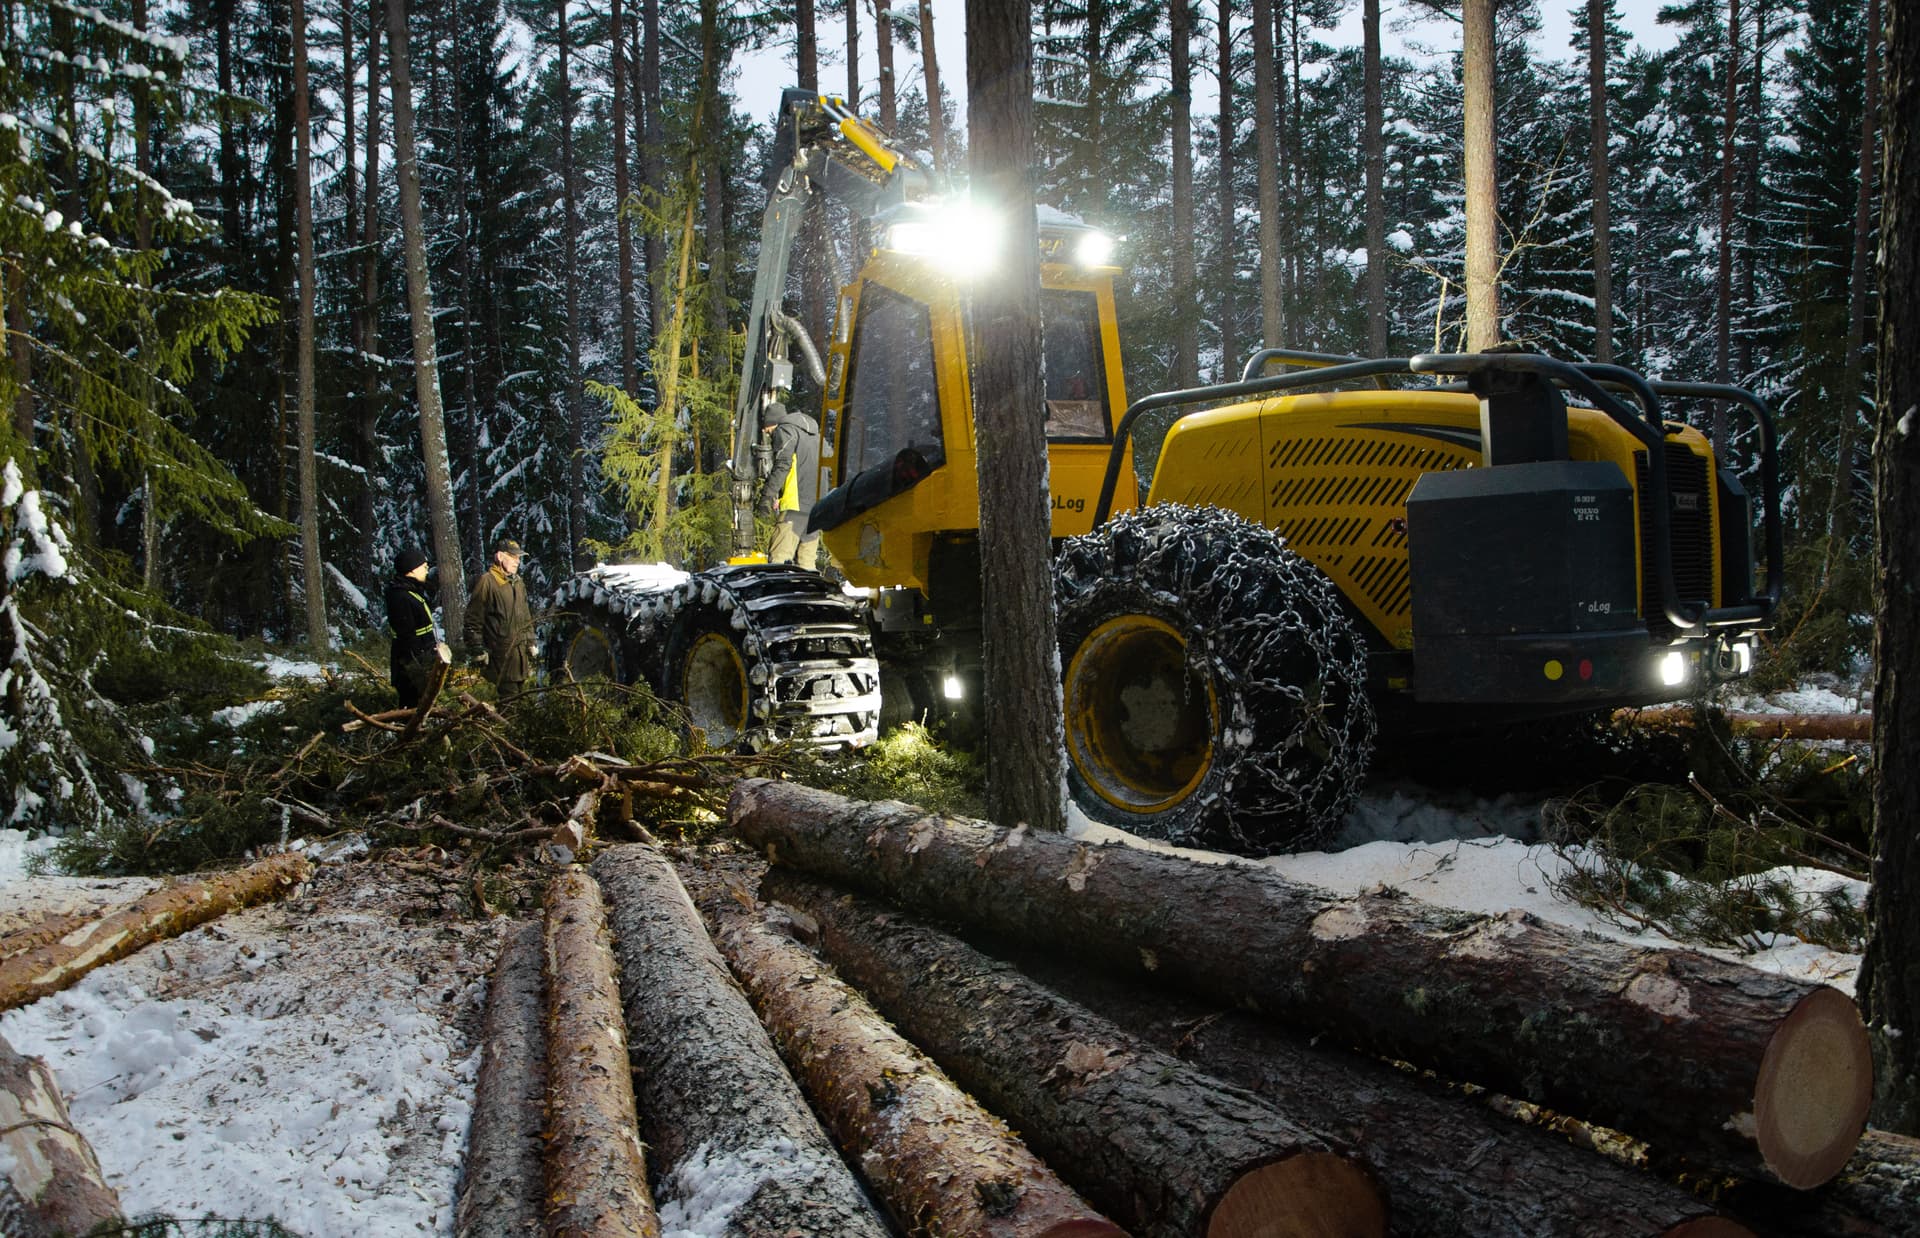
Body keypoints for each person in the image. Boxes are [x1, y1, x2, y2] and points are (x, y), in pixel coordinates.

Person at [463, 537, 536, 697]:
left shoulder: (518, 583)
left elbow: (526, 615)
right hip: (500, 658)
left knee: (521, 702)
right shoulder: (487, 582)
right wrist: (476, 648)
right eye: (513, 557)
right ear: (500, 556)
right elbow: (473, 619)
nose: (517, 561)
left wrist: (530, 641)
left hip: (520, 657)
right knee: (508, 706)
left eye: (518, 558)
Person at [756, 395, 822, 569]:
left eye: (767, 428)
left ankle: (777, 595)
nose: (766, 432)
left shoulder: (785, 431)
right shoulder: (815, 435)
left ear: (773, 423)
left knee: (779, 558)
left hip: (795, 506)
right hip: (817, 507)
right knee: (807, 562)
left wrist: (766, 497)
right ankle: (809, 594)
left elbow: (783, 465)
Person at [384, 547, 449, 708]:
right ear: (411, 569)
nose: (427, 570)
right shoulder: (400, 597)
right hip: (410, 666)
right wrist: (418, 668)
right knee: (412, 707)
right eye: (423, 566)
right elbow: (407, 638)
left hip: (421, 658)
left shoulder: (411, 591)